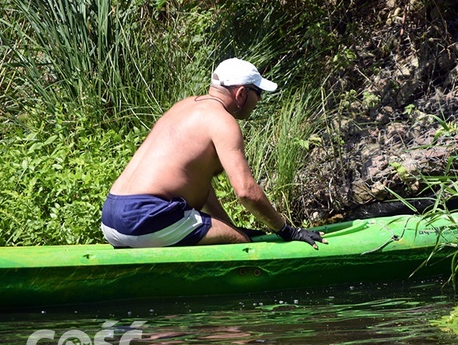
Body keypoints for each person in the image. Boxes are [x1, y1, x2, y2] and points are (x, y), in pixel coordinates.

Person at [101, 58, 326, 249]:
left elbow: (201, 187)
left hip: (111, 218)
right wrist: (287, 230)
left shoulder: (184, 107)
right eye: (258, 93)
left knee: (237, 235)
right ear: (241, 94)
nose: (259, 101)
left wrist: (230, 227)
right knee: (242, 243)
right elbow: (246, 191)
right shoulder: (223, 122)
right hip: (147, 217)